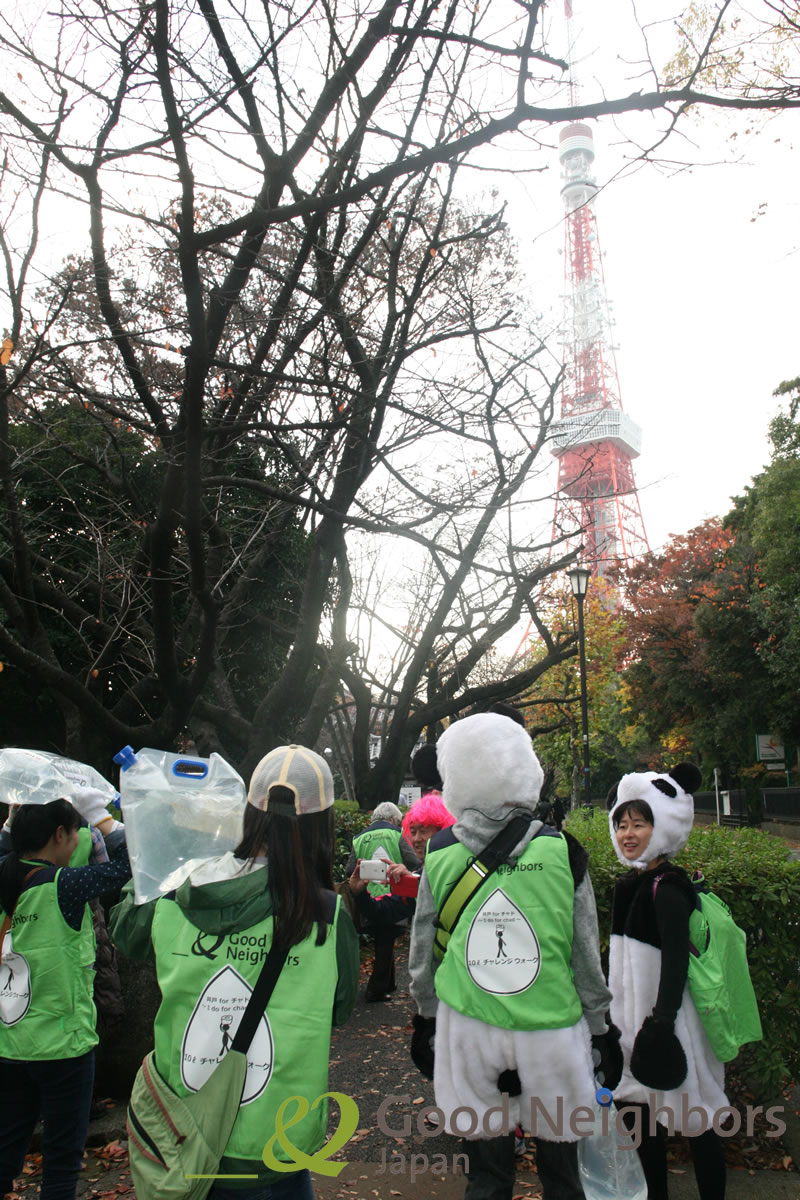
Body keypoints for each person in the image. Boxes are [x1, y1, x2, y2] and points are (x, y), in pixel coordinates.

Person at [109, 743, 359, 1200]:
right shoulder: (329, 915)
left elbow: (125, 929)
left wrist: (158, 845)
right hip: (279, 1142)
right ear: (321, 827)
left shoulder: (177, 890)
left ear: (247, 810)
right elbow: (340, 1009)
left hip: (183, 1136)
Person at [409, 713, 620, 1200]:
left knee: (486, 1176)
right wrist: (599, 1026)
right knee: (562, 1176)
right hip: (551, 1031)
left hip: (469, 1029)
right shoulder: (565, 852)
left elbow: (424, 951)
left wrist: (426, 1016)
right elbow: (585, 955)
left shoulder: (439, 854)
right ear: (527, 769)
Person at [0, 794, 131, 1200]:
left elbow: (7, 848)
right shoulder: (66, 886)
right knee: (60, 1164)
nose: (77, 842)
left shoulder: (4, 874)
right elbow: (132, 867)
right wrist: (105, 820)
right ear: (59, 833)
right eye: (76, 833)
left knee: (5, 1148)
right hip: (64, 1048)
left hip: (10, 1042)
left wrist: (10, 823)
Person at [607, 763, 727, 1200]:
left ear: (662, 825)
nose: (628, 833)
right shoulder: (630, 885)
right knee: (641, 1123)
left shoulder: (669, 888)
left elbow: (675, 963)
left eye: (639, 823)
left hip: (667, 1026)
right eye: (621, 823)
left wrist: (661, 1024)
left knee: (697, 1121)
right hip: (630, 1027)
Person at [345, 800, 420, 1002]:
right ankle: (375, 989)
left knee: (384, 939)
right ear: (392, 819)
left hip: (367, 897)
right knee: (385, 941)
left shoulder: (359, 838)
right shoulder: (398, 834)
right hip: (393, 897)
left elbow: (349, 869)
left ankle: (389, 983)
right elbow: (414, 863)